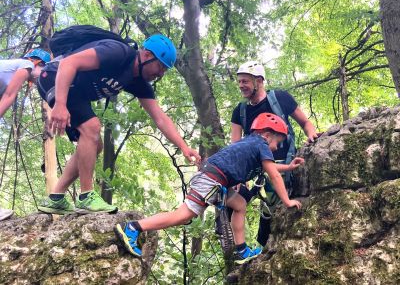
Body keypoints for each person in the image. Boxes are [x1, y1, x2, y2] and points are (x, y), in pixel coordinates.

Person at [36, 34, 200, 215]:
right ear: (146, 55)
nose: (161, 74)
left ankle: (56, 198)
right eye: (160, 66)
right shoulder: (117, 53)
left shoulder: (138, 82)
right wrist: (60, 104)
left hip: (74, 92)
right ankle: (86, 197)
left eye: (164, 70)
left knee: (95, 144)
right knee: (92, 127)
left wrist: (184, 147)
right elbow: (68, 64)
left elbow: (160, 118)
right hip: (53, 77)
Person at [114, 113, 304, 264]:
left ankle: (242, 250)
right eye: (277, 143)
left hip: (216, 179)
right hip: (212, 180)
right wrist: (287, 201)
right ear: (267, 134)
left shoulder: (251, 143)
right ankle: (133, 228)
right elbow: (273, 174)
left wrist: (288, 167)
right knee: (183, 215)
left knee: (239, 205)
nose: (276, 148)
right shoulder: (260, 143)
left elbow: (269, 167)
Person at [229, 60, 319, 247]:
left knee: (275, 215)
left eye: (245, 81)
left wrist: (312, 135)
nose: (241, 86)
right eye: (239, 82)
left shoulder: (280, 98)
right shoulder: (240, 112)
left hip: (287, 164)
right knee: (232, 201)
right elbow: (235, 147)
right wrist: (238, 178)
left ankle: (267, 250)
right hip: (259, 169)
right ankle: (240, 252)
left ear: (259, 80)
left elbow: (305, 123)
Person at [0, 48, 51, 221]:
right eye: (44, 71)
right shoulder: (26, 65)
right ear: (38, 63)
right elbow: (9, 96)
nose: (41, 77)